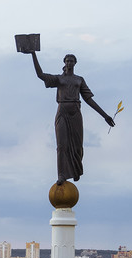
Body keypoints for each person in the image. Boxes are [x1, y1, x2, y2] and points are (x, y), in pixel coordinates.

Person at [29, 51, 115, 184]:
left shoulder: (79, 80)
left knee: (77, 146)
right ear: (64, 63)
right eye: (67, 61)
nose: (69, 63)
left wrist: (105, 116)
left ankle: (75, 170)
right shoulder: (59, 79)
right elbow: (40, 75)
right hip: (62, 111)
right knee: (61, 145)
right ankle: (61, 175)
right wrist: (33, 54)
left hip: (75, 112)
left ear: (75, 63)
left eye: (71, 61)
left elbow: (89, 99)